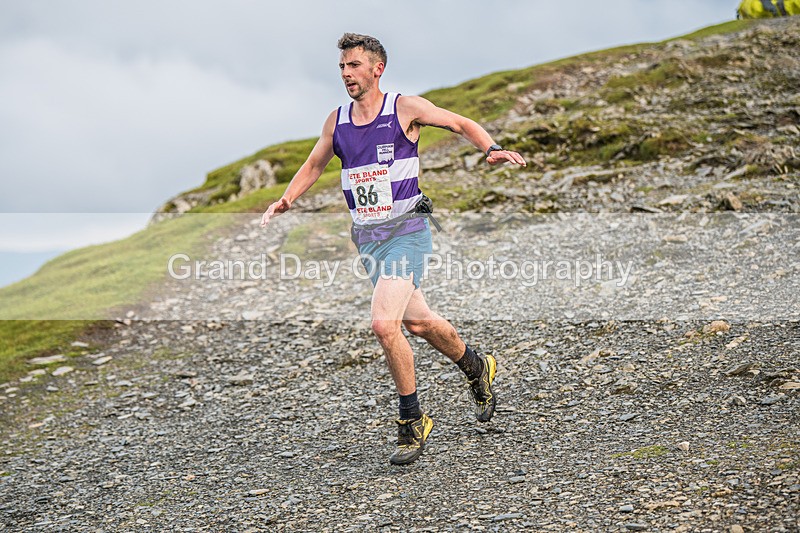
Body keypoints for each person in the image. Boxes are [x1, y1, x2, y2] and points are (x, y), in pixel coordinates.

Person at [261, 33, 526, 465]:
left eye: (354, 65)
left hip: (407, 230)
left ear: (377, 68)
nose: (346, 73)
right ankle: (477, 366)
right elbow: (313, 165)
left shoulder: (404, 108)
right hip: (368, 239)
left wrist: (491, 149)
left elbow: (460, 123)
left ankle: (411, 420)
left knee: (384, 325)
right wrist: (288, 199)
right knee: (418, 324)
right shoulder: (337, 121)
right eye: (342, 66)